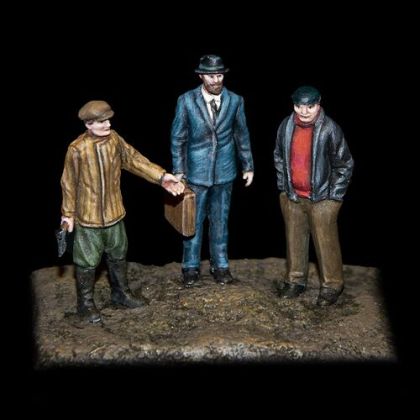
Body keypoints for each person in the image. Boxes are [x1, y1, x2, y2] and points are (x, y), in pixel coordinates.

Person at [61, 100, 184, 323]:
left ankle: (121, 293)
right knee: (86, 261)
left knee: (118, 254)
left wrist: (161, 176)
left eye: (108, 120)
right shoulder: (77, 149)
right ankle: (85, 305)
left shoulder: (115, 140)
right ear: (89, 124)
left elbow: (134, 160)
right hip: (88, 218)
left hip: (114, 213)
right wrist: (68, 214)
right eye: (102, 121)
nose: (108, 125)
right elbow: (68, 183)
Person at [171, 54, 254, 287]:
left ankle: (221, 265)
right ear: (201, 76)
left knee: (220, 221)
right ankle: (190, 266)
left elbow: (241, 134)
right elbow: (178, 138)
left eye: (219, 75)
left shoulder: (235, 101)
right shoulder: (186, 100)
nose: (216, 80)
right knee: (192, 222)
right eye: (210, 76)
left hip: (224, 171)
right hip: (196, 172)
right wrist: (178, 170)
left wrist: (248, 165)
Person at [274, 86, 354, 306]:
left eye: (310, 106)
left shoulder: (329, 129)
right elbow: (278, 156)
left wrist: (334, 197)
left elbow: (345, 164)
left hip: (322, 199)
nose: (304, 111)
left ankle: (332, 285)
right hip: (293, 196)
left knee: (325, 243)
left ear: (318, 104)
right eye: (299, 106)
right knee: (294, 240)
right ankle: (295, 280)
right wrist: (283, 186)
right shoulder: (286, 125)